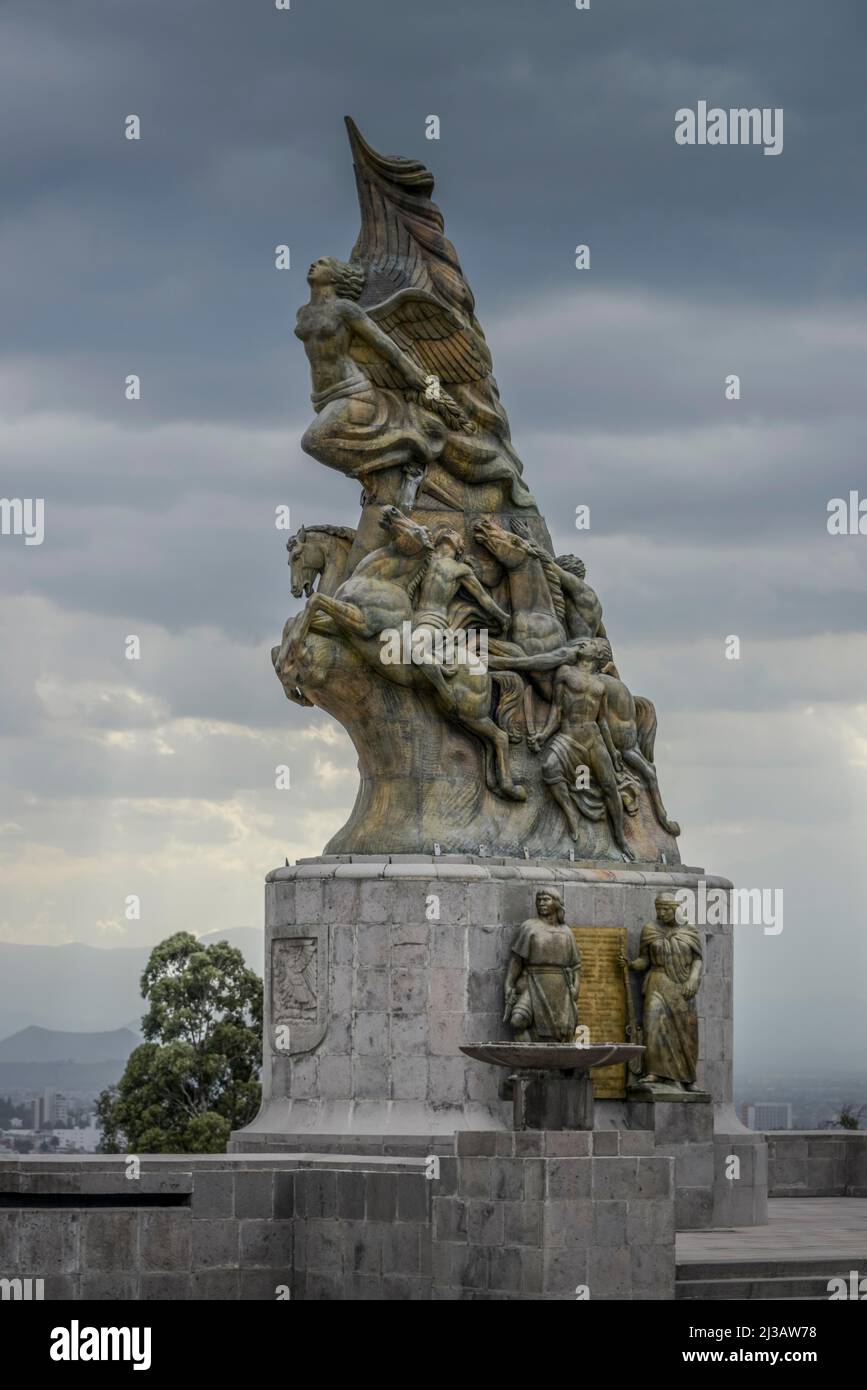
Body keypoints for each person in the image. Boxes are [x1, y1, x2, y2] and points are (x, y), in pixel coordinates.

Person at [620, 892, 703, 1089]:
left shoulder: (690, 931)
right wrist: (631, 965)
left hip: (682, 987)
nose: (662, 913)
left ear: (676, 910)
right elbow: (645, 960)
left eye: (666, 909)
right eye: (659, 909)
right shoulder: (650, 930)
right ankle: (655, 1072)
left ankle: (687, 1078)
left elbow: (698, 960)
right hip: (657, 981)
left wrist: (693, 979)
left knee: (685, 1032)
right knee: (653, 1026)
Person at [504, 888, 581, 1043]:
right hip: (532, 982)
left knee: (560, 1033)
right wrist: (508, 984)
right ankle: (526, 1057)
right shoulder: (529, 927)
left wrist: (575, 989)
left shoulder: (566, 932)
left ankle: (551, 1061)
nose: (541, 903)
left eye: (546, 899)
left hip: (560, 987)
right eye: (539, 900)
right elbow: (516, 960)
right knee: (517, 1021)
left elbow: (575, 967)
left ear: (557, 903)